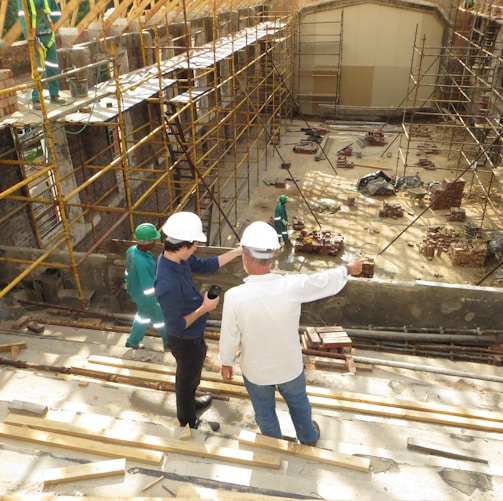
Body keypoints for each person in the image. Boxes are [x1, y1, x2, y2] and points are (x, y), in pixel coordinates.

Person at [219, 221, 363, 446]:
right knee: (299, 403)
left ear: (244, 257)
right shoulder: (291, 286)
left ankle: (273, 443)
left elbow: (229, 336)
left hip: (255, 370)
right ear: (273, 256)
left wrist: (226, 362)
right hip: (289, 366)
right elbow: (322, 281)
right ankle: (308, 438)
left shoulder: (235, 296)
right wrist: (347, 268)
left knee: (264, 411)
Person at [154, 211, 242, 432]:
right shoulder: (168, 283)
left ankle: (191, 402)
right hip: (184, 338)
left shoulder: (176, 257)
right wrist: (205, 308)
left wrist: (238, 252)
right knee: (186, 377)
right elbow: (174, 325)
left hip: (193, 334)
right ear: (183, 246)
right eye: (194, 245)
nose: (196, 249)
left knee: (191, 374)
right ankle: (188, 420)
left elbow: (206, 265)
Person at [124, 223, 168, 351]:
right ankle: (169, 342)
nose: (155, 242)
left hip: (137, 293)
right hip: (147, 298)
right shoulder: (142, 263)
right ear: (146, 243)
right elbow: (147, 286)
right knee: (162, 320)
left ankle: (132, 341)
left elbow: (127, 271)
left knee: (142, 317)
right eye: (154, 240)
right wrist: (156, 301)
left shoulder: (131, 250)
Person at [17, 0, 66, 110]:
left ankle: (54, 94)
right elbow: (23, 17)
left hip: (49, 35)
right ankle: (36, 98)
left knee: (52, 67)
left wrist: (50, 22)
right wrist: (29, 36)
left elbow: (56, 12)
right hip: (36, 37)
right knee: (38, 69)